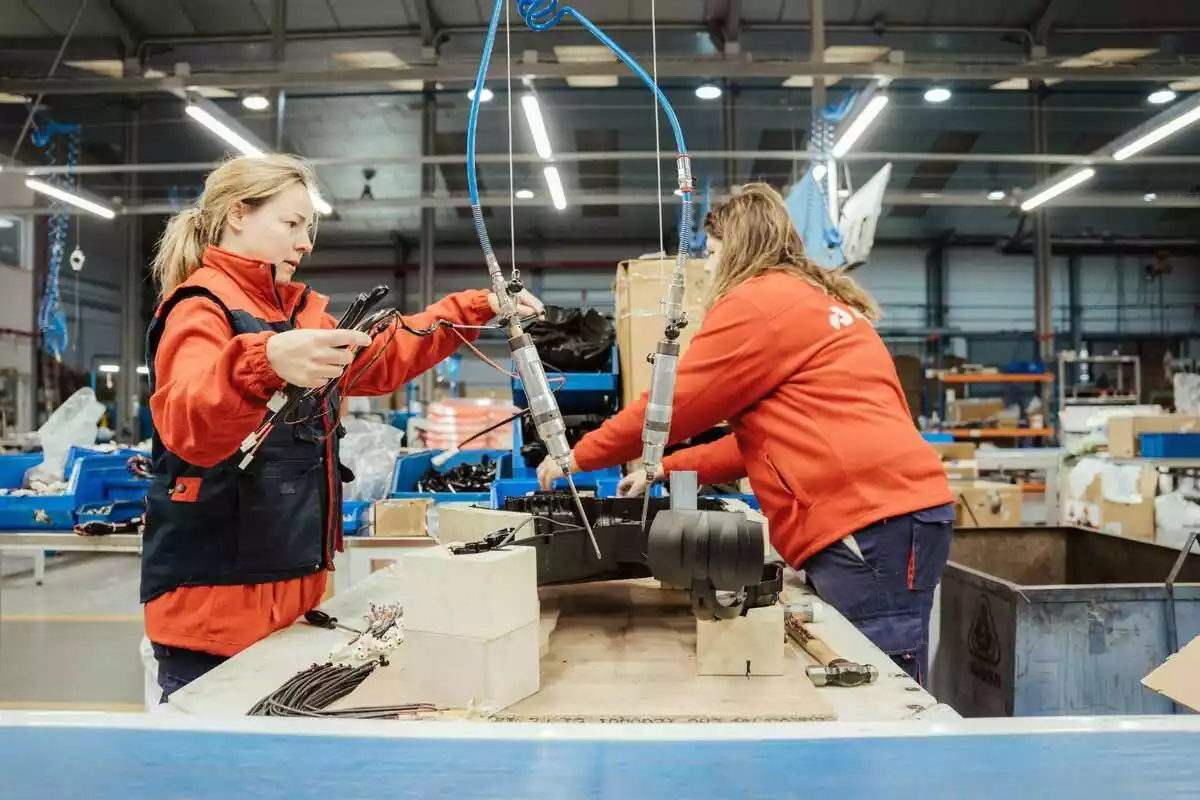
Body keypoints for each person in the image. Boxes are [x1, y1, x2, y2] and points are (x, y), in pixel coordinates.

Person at [143, 154, 543, 701]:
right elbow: (187, 422)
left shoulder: (296, 313)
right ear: (238, 213)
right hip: (215, 613)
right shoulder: (200, 308)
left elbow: (380, 355)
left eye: (308, 228)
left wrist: (473, 308)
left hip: (289, 601)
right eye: (291, 224)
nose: (305, 241)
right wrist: (263, 362)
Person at [538, 183, 953, 683]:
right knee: (870, 673)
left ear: (738, 248)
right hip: (894, 514)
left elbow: (670, 407)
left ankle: (887, 762)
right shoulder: (810, 301)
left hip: (869, 520)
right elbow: (756, 444)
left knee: (878, 684)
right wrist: (662, 467)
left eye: (712, 254)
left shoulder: (758, 305)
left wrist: (577, 456)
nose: (708, 268)